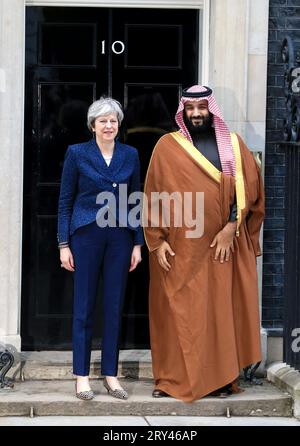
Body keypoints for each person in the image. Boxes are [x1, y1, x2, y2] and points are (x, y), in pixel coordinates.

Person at [143, 85, 265, 402]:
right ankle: (170, 380)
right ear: (183, 112)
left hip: (221, 248)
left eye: (202, 107)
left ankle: (222, 380)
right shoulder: (167, 146)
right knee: (175, 312)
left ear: (212, 110)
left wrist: (230, 228)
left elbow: (249, 192)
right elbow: (153, 195)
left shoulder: (234, 147)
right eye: (191, 108)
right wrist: (156, 242)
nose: (197, 113)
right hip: (179, 249)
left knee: (219, 311)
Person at [57, 97, 143, 400]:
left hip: (119, 237)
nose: (109, 126)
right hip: (86, 235)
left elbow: (135, 199)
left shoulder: (130, 155)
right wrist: (63, 244)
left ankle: (110, 375)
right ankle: (81, 377)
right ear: (93, 125)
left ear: (119, 125)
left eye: (114, 121)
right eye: (103, 121)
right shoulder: (77, 153)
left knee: (113, 306)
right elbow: (65, 200)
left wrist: (137, 243)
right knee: (83, 307)